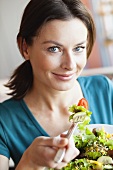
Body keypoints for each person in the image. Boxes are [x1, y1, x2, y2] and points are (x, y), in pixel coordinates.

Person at [0, 0, 113, 169]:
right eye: (54, 49)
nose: (70, 64)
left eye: (78, 48)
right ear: (25, 48)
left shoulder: (103, 88)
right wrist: (28, 162)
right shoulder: (4, 121)